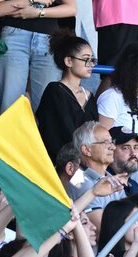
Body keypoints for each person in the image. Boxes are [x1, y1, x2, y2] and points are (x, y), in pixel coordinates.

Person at [35, 30, 97, 160]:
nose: (91, 64)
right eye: (86, 59)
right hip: (62, 162)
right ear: (69, 61)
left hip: (88, 161)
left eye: (92, 60)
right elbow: (53, 136)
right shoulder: (54, 91)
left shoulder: (89, 96)